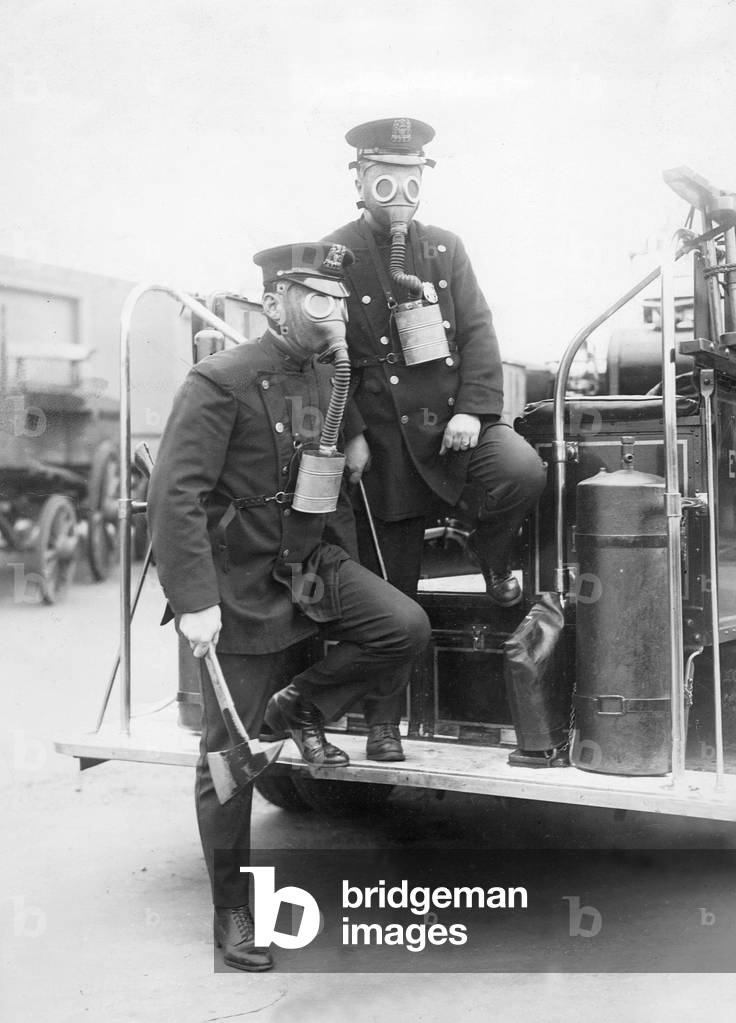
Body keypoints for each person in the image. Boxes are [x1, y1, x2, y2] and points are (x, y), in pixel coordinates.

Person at [147, 241, 430, 972]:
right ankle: (231, 907)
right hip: (239, 578)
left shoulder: (329, 377)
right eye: (318, 298)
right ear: (274, 302)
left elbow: (325, 469)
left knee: (402, 626)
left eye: (339, 300)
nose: (333, 312)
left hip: (310, 562)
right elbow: (173, 495)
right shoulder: (219, 380)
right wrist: (195, 601)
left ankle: (297, 708)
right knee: (226, 758)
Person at [320, 118, 547, 753]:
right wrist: (352, 435)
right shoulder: (332, 255)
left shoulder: (446, 248)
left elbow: (478, 330)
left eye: (411, 177)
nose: (400, 191)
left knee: (521, 471)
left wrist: (475, 409)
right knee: (395, 597)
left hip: (453, 426)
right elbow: (322, 356)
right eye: (384, 177)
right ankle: (383, 725)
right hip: (386, 449)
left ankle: (489, 550)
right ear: (360, 180)